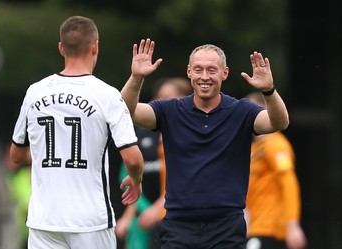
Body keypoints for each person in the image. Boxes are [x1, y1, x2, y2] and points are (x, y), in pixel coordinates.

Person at [121, 38, 290, 249]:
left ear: (224, 73)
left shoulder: (241, 111)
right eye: (198, 69)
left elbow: (279, 122)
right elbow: (127, 111)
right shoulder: (170, 110)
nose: (204, 77)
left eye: (212, 70)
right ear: (189, 72)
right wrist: (136, 77)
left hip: (226, 226)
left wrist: (269, 91)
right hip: (178, 225)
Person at [9, 16, 144, 249]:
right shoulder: (107, 94)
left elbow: (17, 155)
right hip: (90, 220)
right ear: (95, 46)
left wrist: (48, 154)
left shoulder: (34, 92)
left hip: (44, 220)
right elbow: (132, 159)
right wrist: (137, 179)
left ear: (61, 48)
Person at [116, 77, 192, 249]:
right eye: (159, 96)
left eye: (167, 96)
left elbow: (182, 182)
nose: (159, 101)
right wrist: (132, 214)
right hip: (143, 216)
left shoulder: (189, 138)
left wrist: (156, 210)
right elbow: (130, 177)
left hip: (174, 216)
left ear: (185, 99)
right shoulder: (143, 135)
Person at [245, 92, 307, 249]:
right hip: (256, 227)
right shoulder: (254, 148)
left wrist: (292, 225)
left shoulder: (275, 144)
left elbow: (289, 183)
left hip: (271, 228)